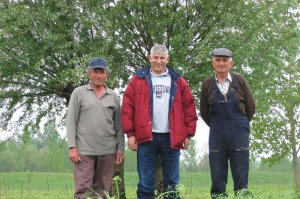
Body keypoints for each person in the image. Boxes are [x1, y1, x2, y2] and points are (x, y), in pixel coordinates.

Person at [121, 44, 197, 199]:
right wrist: (130, 134)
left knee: (171, 184)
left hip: (172, 138)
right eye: (155, 57)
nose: (159, 61)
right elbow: (128, 107)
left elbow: (189, 107)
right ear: (150, 58)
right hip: (146, 138)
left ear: (167, 59)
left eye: (162, 58)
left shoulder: (178, 81)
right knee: (145, 185)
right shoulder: (138, 80)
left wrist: (188, 134)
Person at [200, 48, 256, 198]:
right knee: (217, 178)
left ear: (231, 63)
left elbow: (251, 107)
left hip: (239, 134)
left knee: (241, 177)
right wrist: (218, 126)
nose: (221, 63)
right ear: (213, 63)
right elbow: (204, 113)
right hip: (217, 135)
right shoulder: (207, 84)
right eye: (218, 60)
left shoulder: (240, 81)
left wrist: (240, 124)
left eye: (225, 60)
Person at [66, 57, 125, 199]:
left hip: (107, 151)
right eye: (95, 71)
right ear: (89, 73)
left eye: (102, 72)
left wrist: (120, 149)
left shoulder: (113, 96)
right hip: (84, 151)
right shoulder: (78, 93)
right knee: (82, 191)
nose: (98, 75)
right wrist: (72, 147)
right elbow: (71, 121)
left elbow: (119, 126)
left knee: (102, 191)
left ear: (107, 74)